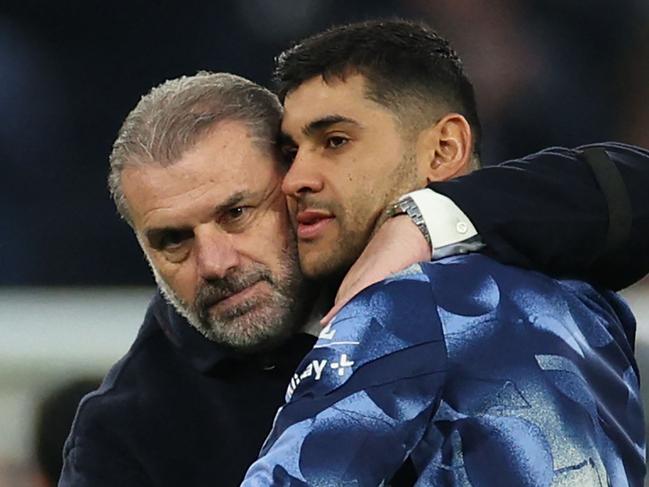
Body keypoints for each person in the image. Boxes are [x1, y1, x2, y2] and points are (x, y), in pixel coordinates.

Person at [61, 68, 649, 487]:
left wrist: (423, 221)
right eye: (173, 240)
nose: (215, 262)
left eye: (237, 213)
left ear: (296, 180)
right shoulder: (125, 432)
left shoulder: (448, 267)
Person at [241, 19, 646, 485]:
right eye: (291, 153)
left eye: (335, 142)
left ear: (443, 150)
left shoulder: (399, 303)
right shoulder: (590, 302)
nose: (295, 180)